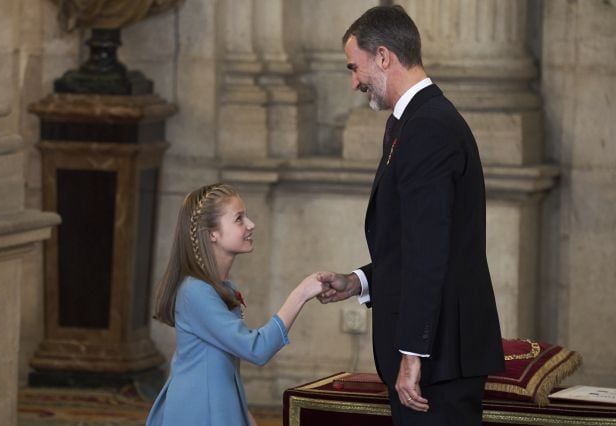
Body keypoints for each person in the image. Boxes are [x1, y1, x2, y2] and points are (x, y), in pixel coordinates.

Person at [317, 5, 505, 426]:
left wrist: (412, 355)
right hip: (437, 356)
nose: (353, 83)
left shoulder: (429, 127)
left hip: (438, 360)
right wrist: (358, 281)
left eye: (355, 67)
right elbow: (412, 244)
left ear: (383, 56)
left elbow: (430, 251)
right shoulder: (412, 123)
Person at [146, 183, 326, 426]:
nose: (251, 224)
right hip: (196, 412)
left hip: (215, 406)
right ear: (212, 233)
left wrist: (242, 413)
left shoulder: (220, 287)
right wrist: (300, 294)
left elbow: (223, 363)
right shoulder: (195, 291)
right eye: (239, 219)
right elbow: (256, 349)